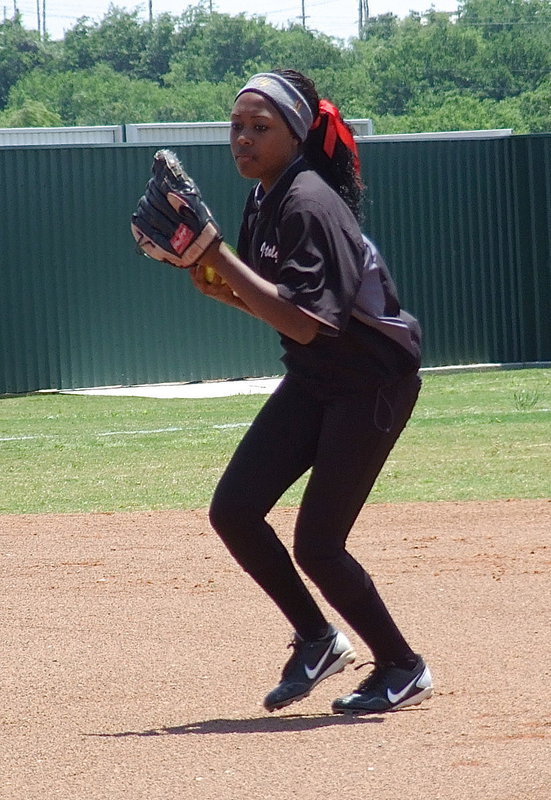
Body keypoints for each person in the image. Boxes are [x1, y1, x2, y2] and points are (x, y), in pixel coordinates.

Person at [189, 69, 433, 715]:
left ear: (295, 134)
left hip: (370, 383)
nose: (241, 138)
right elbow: (288, 310)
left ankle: (402, 667)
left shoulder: (307, 201)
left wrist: (218, 255)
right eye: (236, 126)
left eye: (258, 128)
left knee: (318, 544)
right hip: (317, 375)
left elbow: (304, 318)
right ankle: (318, 639)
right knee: (235, 509)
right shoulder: (267, 194)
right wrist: (226, 289)